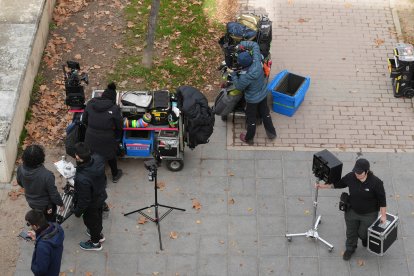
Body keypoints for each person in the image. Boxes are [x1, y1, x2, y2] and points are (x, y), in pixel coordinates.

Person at [316, 158, 387, 261]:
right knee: (351, 232)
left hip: (369, 214)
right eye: (355, 171)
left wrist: (383, 215)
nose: (357, 174)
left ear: (366, 171)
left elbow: (382, 200)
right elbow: (338, 184)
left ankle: (364, 238)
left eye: (359, 172)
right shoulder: (351, 176)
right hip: (352, 211)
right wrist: (322, 186)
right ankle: (350, 248)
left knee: (363, 233)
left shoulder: (376, 183)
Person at [230, 40, 276, 145]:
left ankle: (249, 138)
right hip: (263, 93)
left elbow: (239, 86)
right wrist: (242, 44)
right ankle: (271, 133)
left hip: (252, 100)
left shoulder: (245, 76)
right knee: (266, 114)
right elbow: (255, 45)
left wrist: (233, 75)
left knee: (251, 119)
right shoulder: (257, 60)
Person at [82, 82, 123, 183]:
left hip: (90, 137)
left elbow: (84, 121)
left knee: (94, 158)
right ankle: (115, 175)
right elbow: (119, 126)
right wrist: (117, 138)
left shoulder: (90, 104)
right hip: (107, 138)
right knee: (111, 155)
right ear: (114, 99)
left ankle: (102, 181)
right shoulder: (114, 109)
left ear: (102, 95)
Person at [73, 142, 107, 251]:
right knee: (98, 218)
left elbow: (84, 199)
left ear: (78, 157)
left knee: (91, 221)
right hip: (100, 196)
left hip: (91, 204)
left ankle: (95, 243)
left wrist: (78, 211)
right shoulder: (99, 159)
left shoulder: (82, 179)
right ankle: (98, 234)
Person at [17, 144, 64, 222]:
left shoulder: (20, 169)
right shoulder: (47, 175)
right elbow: (54, 194)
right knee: (50, 220)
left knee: (39, 217)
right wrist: (61, 204)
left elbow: (20, 183)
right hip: (46, 206)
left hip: (31, 202)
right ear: (41, 158)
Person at [25, 209, 64, 276]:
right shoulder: (57, 227)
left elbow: (40, 270)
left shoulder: (42, 246)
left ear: (35, 226)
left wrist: (39, 241)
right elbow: (48, 237)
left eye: (29, 224)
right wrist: (37, 237)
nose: (30, 226)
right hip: (55, 268)